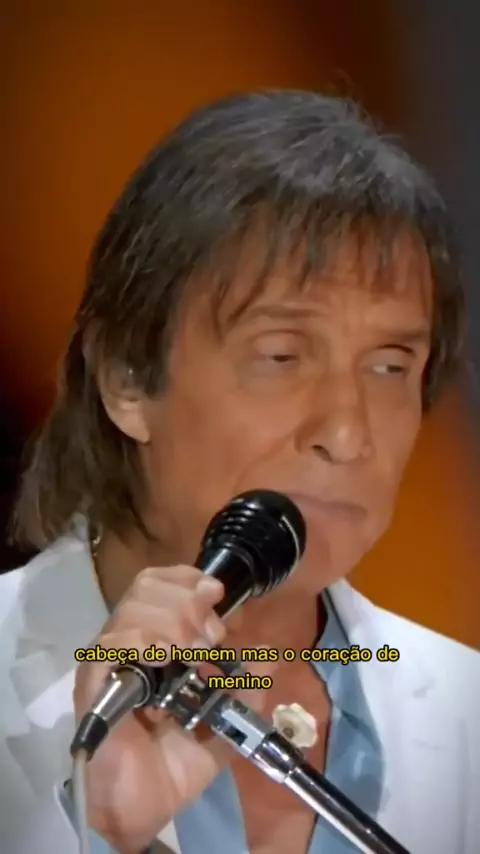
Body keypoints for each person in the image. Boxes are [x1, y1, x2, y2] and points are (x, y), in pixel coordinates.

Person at [1, 90, 478, 854]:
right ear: (127, 377)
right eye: (281, 356)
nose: (348, 435)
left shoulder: (466, 713)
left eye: (391, 366)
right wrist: (109, 835)